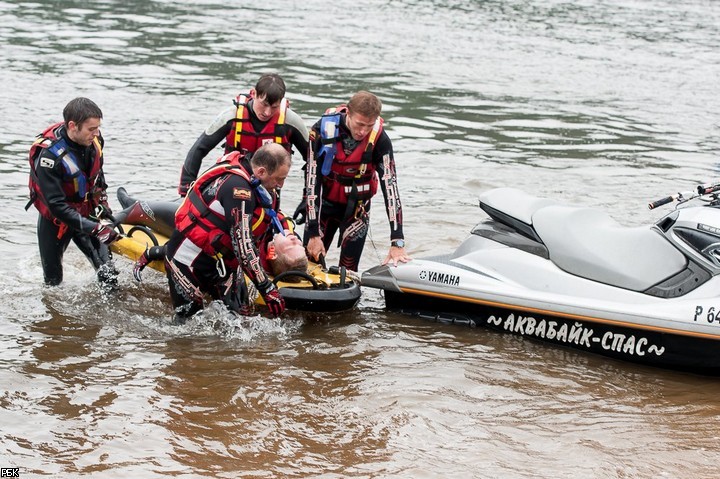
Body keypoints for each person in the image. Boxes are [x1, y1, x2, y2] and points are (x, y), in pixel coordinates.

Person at [165, 143, 295, 321]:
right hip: (188, 261)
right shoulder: (238, 191)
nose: (281, 184)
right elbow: (243, 247)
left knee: (242, 320)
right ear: (262, 172)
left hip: (223, 263)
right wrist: (266, 288)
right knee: (188, 328)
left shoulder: (260, 183)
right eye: (279, 179)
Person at [302, 90, 411, 272]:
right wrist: (313, 231)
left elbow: (391, 190)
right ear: (348, 113)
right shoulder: (321, 130)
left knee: (349, 270)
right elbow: (312, 179)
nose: (362, 131)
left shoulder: (380, 140)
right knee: (307, 266)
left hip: (357, 212)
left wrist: (397, 241)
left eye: (369, 126)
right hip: (324, 209)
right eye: (359, 124)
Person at [26, 97, 119, 287]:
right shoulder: (49, 157)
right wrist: (95, 228)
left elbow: (97, 177)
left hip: (86, 211)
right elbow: (56, 206)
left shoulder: (94, 141)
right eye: (91, 129)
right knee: (53, 284)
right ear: (72, 126)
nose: (96, 133)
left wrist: (102, 205)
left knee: (109, 276)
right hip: (56, 221)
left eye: (98, 128)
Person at [178, 73, 309, 197]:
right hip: (233, 182)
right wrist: (186, 189)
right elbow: (199, 149)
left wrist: (307, 198)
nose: (267, 112)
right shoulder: (231, 116)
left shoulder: (291, 122)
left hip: (269, 188)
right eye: (264, 104)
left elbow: (312, 160)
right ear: (254, 94)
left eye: (274, 107)